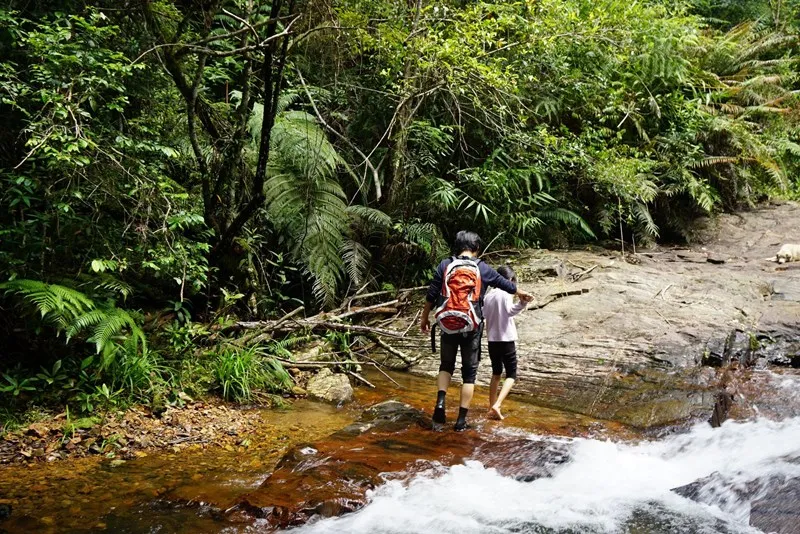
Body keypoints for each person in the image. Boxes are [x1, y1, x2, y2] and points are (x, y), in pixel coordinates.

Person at [420, 231, 532, 431]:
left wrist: (424, 317)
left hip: (448, 323)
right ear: (476, 248)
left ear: (457, 246)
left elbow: (432, 293)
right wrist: (520, 292)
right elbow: (503, 283)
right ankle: (461, 421)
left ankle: (440, 402)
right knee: (469, 374)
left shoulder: (445, 265)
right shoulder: (482, 267)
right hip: (471, 326)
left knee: (446, 365)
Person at [483, 265, 530, 420]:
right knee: (511, 374)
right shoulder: (506, 293)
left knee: (496, 373)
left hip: (492, 340)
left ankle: (490, 407)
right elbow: (510, 311)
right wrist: (523, 303)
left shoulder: (488, 296)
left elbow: (483, 314)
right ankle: (498, 404)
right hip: (506, 339)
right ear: (510, 279)